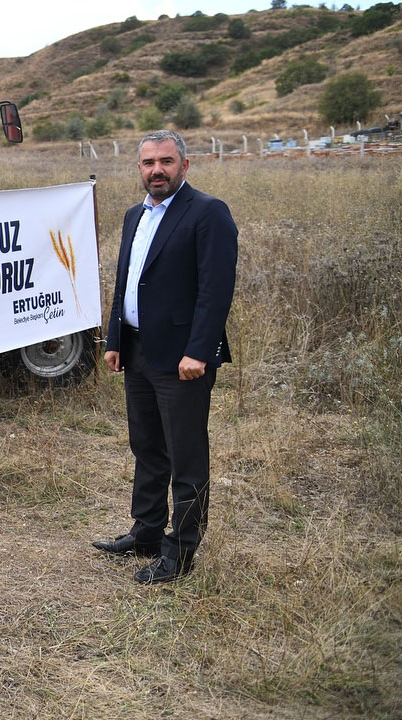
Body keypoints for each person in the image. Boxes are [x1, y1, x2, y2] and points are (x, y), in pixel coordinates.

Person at [93, 129, 238, 584]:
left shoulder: (208, 213)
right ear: (139, 168)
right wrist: (114, 337)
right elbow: (126, 282)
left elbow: (215, 292)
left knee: (186, 456)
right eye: (148, 162)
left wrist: (199, 351)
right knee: (148, 447)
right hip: (136, 352)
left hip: (182, 361)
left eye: (166, 161)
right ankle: (147, 532)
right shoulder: (135, 216)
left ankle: (181, 553)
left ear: (184, 166)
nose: (156, 170)